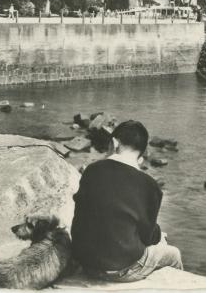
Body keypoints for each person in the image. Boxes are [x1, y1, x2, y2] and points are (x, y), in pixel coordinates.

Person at [71, 120, 183, 283]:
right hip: (120, 269)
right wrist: (159, 235)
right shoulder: (150, 185)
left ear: (114, 143)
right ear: (141, 155)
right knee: (174, 254)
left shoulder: (91, 170)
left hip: (86, 263)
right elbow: (147, 237)